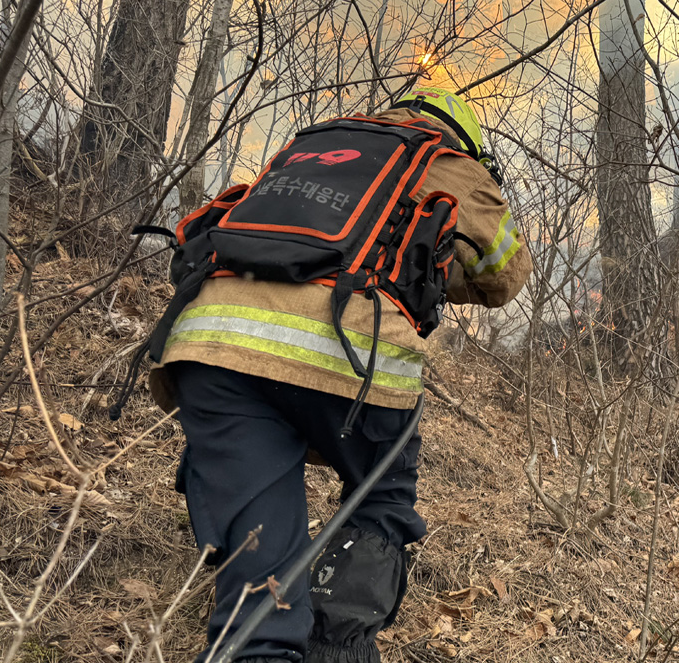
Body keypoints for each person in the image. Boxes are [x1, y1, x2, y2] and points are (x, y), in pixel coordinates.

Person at [147, 89, 531, 663]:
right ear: (464, 136)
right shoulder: (448, 163)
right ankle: (336, 647)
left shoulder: (314, 146)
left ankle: (263, 644)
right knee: (382, 494)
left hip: (213, 343)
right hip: (344, 351)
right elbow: (505, 275)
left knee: (261, 594)